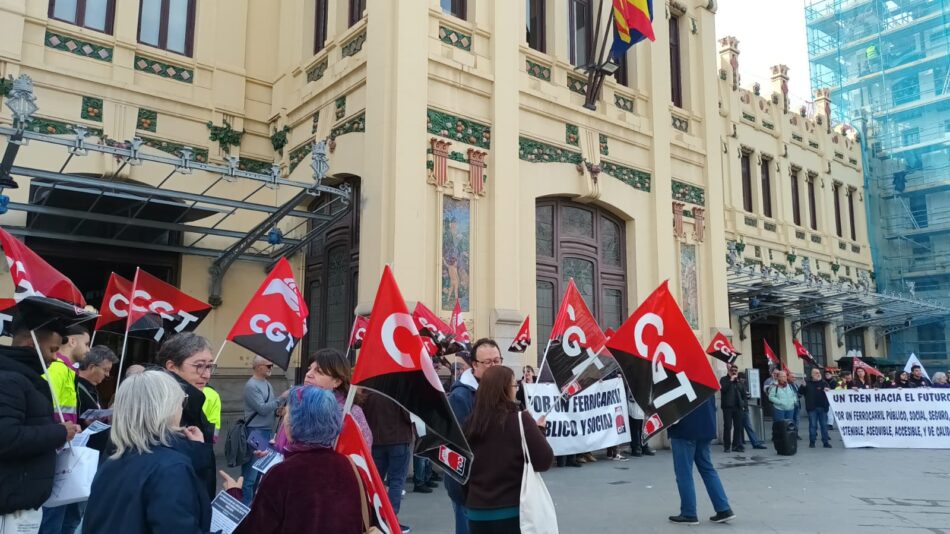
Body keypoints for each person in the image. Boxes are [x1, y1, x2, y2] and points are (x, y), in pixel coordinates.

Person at [220, 386, 364, 534]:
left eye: (287, 413)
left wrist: (234, 495)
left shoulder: (282, 474)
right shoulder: (349, 465)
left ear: (296, 422)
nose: (284, 419)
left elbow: (252, 529)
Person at [84, 371, 211, 533]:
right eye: (181, 402)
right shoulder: (170, 467)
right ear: (166, 408)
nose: (181, 408)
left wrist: (196, 452)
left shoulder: (114, 458)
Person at [0, 323, 78, 532]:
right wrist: (59, 432)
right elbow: (5, 436)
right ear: (30, 344)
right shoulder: (9, 379)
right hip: (10, 507)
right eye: (52, 350)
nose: (55, 358)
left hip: (20, 501)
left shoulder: (25, 378)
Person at [464, 366, 553, 534]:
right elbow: (544, 461)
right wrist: (539, 431)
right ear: (505, 389)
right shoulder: (520, 419)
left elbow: (464, 468)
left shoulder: (471, 422)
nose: (516, 389)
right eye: (514, 385)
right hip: (511, 510)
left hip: (477, 512)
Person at [445, 338, 500, 534]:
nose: (493, 366)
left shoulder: (499, 391)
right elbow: (459, 446)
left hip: (494, 484)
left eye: (497, 361)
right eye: (488, 362)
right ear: (475, 365)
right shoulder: (461, 397)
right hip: (467, 486)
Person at [272, 349, 372, 452]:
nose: (308, 374)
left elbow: (361, 454)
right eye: (309, 369)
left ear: (337, 381)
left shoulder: (351, 412)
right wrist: (274, 452)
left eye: (319, 371)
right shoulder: (297, 404)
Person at [161, 333, 218, 498]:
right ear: (171, 366)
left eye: (209, 366)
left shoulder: (193, 400)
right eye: (199, 366)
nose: (206, 374)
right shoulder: (159, 410)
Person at [667, 396, 736, 525]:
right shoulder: (705, 377)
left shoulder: (675, 377)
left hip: (684, 429)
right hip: (705, 427)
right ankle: (723, 509)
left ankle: (689, 513)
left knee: (684, 473)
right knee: (707, 469)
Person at [363, 390, 413, 533]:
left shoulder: (369, 393)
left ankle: (375, 519)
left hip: (377, 441)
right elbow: (409, 416)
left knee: (375, 482)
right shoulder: (398, 393)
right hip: (399, 440)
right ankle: (391, 520)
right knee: (396, 480)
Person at [241, 356, 284, 504]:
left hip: (265, 430)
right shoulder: (251, 386)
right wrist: (281, 398)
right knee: (252, 472)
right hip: (256, 431)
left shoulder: (266, 384)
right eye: (269, 366)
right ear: (259, 366)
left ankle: (253, 503)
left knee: (260, 470)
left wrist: (278, 411)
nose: (271, 368)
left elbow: (268, 408)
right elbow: (262, 408)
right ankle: (246, 505)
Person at [800, 368, 832, 448]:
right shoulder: (807, 383)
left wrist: (828, 390)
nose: (818, 374)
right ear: (812, 375)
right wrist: (803, 387)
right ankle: (812, 442)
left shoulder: (824, 383)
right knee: (812, 425)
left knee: (824, 425)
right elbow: (800, 393)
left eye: (819, 372)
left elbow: (830, 393)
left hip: (823, 407)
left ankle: (825, 442)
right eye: (816, 373)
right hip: (812, 408)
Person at [719, 365, 745, 452]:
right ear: (729, 371)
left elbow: (743, 394)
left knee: (738, 427)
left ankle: (735, 445)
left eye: (735, 370)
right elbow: (723, 389)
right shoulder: (724, 379)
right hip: (727, 407)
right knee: (728, 426)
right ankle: (726, 446)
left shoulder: (738, 381)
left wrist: (744, 405)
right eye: (732, 370)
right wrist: (730, 380)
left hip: (738, 407)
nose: (734, 372)